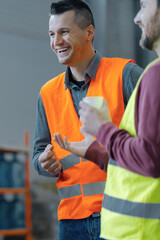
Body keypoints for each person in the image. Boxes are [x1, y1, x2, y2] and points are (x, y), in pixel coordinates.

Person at [32, 0, 143, 239]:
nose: (56, 42)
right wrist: (43, 163)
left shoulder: (125, 74)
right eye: (52, 34)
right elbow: (38, 152)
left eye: (64, 32)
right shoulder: (47, 93)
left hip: (122, 210)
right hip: (71, 221)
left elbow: (150, 141)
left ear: (89, 33)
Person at [54, 0, 160, 239]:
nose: (137, 17)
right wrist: (96, 153)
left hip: (136, 230)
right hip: (90, 220)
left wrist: (103, 129)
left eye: (144, 6)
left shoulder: (146, 75)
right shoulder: (48, 92)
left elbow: (149, 159)